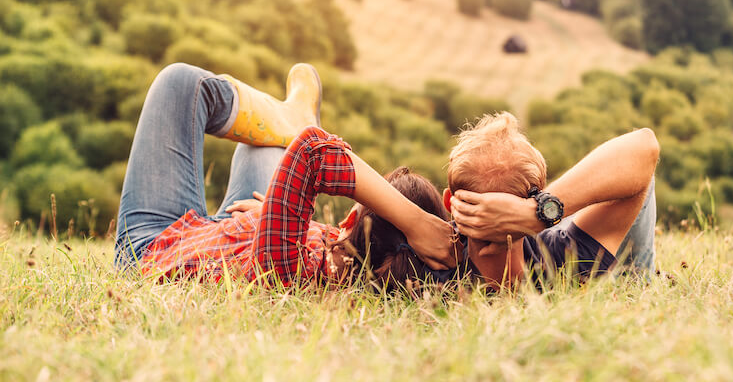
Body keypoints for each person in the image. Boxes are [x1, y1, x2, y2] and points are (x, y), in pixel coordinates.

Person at [114, 63, 456, 287]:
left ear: (351, 218)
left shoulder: (286, 265)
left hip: (156, 251)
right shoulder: (326, 263)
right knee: (263, 148)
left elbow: (311, 149)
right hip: (233, 238)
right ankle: (286, 122)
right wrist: (270, 217)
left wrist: (415, 222)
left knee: (181, 85)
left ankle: (292, 119)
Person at [441, 112, 659, 286]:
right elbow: (645, 145)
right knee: (631, 183)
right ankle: (640, 285)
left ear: (449, 201)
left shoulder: (431, 265)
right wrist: (542, 211)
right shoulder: (563, 261)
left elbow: (643, 146)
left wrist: (532, 215)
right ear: (542, 191)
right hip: (561, 238)